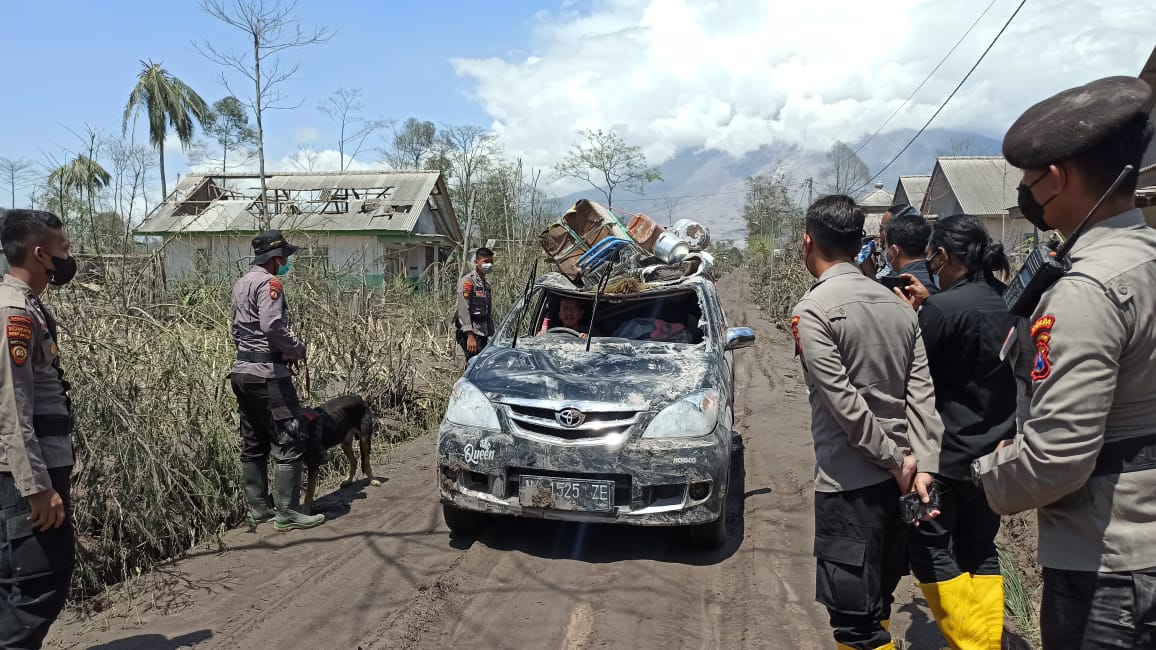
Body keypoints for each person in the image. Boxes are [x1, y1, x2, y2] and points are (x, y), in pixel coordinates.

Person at [971, 76, 1156, 648]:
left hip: (1108, 568)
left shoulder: (1086, 289)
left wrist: (984, 477)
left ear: (1056, 178)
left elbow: (1058, 460)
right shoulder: (1144, 259)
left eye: (1029, 183)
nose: (1027, 198)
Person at [791, 194, 944, 650]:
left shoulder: (813, 310)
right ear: (860, 244)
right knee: (878, 603)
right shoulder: (898, 305)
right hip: (902, 486)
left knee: (855, 624)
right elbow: (921, 394)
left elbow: (844, 404)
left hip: (850, 485)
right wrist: (924, 465)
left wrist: (895, 461)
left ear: (807, 242)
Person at [893, 214, 1017, 649]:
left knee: (931, 548)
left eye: (933, 259)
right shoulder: (1010, 301)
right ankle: (988, 639)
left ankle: (973, 645)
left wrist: (917, 316)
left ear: (943, 255)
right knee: (981, 547)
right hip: (997, 453)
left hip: (944, 458)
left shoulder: (940, 311)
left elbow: (914, 375)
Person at [0, 210, 77, 648]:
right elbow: (13, 406)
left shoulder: (23, 305)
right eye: (63, 251)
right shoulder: (15, 312)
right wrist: (36, 486)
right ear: (39, 253)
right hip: (25, 476)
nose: (68, 260)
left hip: (26, 468)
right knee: (40, 582)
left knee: (15, 581)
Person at [230, 229, 324, 532]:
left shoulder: (241, 282)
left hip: (242, 372)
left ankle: (259, 508)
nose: (285, 262)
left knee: (254, 439)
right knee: (290, 437)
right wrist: (296, 349)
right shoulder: (271, 283)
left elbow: (236, 330)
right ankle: (287, 512)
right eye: (284, 256)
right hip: (269, 376)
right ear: (276, 258)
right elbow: (272, 327)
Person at [883, 211, 940, 294]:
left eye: (886, 246)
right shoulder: (942, 279)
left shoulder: (897, 287)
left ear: (894, 250)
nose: (885, 250)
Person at [455, 248, 494, 361]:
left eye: (491, 262)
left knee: (482, 364)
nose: (489, 265)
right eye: (486, 262)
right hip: (471, 332)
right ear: (476, 262)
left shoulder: (486, 285)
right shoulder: (468, 282)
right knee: (475, 364)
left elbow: (487, 312)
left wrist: (492, 335)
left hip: (482, 331)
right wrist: (470, 336)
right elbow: (463, 309)